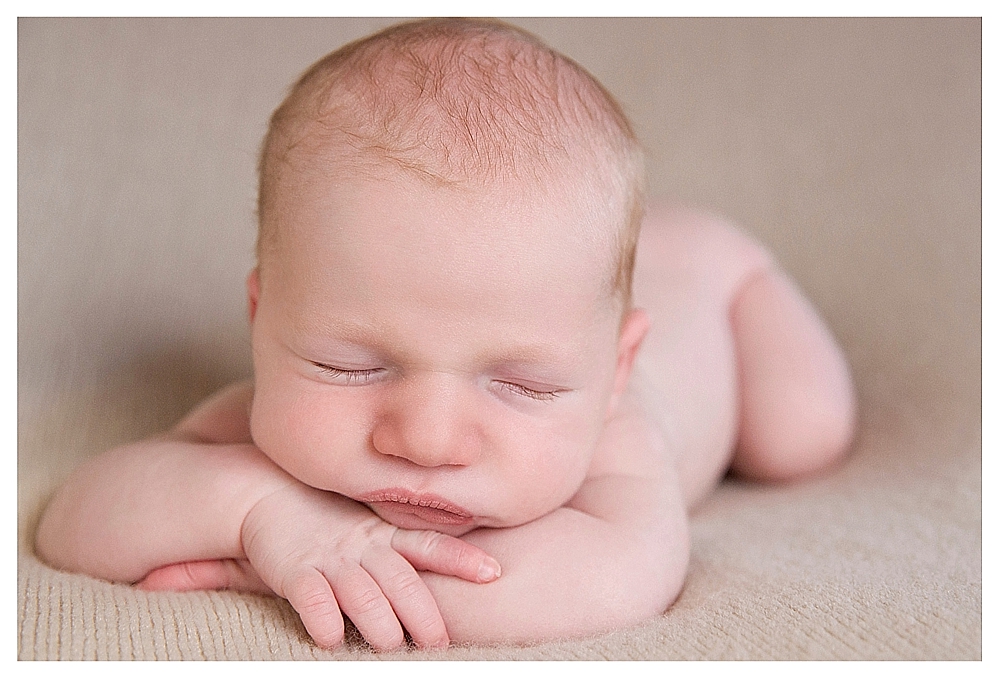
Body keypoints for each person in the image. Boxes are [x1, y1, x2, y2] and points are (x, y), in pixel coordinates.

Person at [34, 18, 856, 651]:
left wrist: (312, 577)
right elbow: (77, 518)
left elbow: (615, 580)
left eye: (523, 385)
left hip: (712, 287)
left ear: (613, 370)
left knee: (799, 435)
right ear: (262, 325)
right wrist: (258, 513)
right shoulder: (266, 426)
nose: (427, 440)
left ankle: (742, 267)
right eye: (349, 365)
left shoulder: (618, 438)